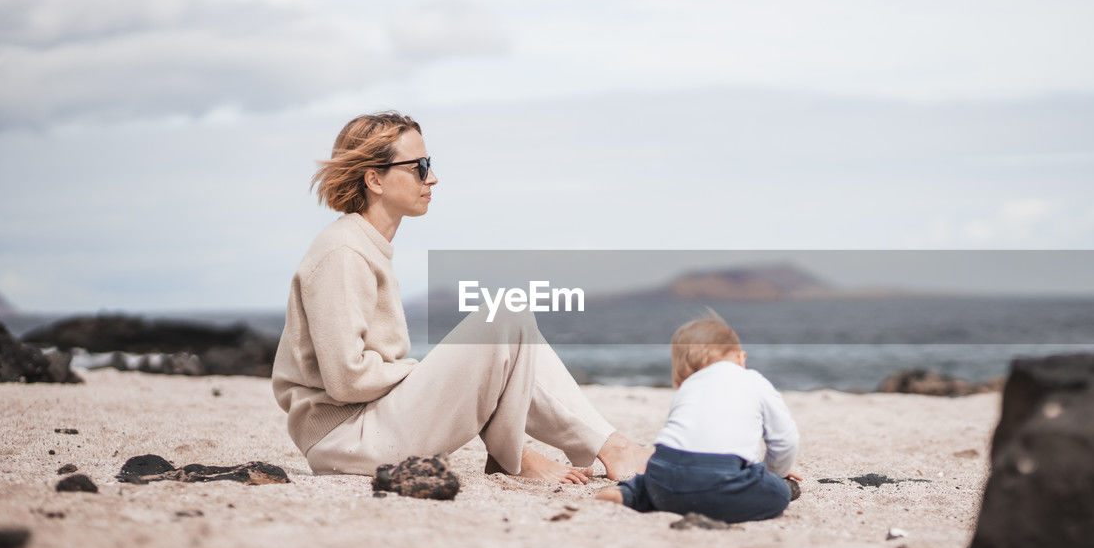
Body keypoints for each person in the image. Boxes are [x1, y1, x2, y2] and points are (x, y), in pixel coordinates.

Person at [272, 111, 651, 483]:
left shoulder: (365, 246)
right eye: (418, 166)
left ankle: (543, 452)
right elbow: (345, 379)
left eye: (429, 164)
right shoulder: (344, 252)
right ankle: (568, 451)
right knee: (505, 318)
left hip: (368, 425)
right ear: (375, 179)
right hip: (348, 440)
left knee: (509, 331)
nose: (432, 178)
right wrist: (424, 372)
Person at [596, 312, 800, 522]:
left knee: (652, 482)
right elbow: (785, 440)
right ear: (741, 357)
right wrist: (774, 473)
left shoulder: (688, 388)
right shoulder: (754, 380)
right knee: (779, 493)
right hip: (719, 479)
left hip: (663, 480)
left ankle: (629, 493)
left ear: (680, 378)